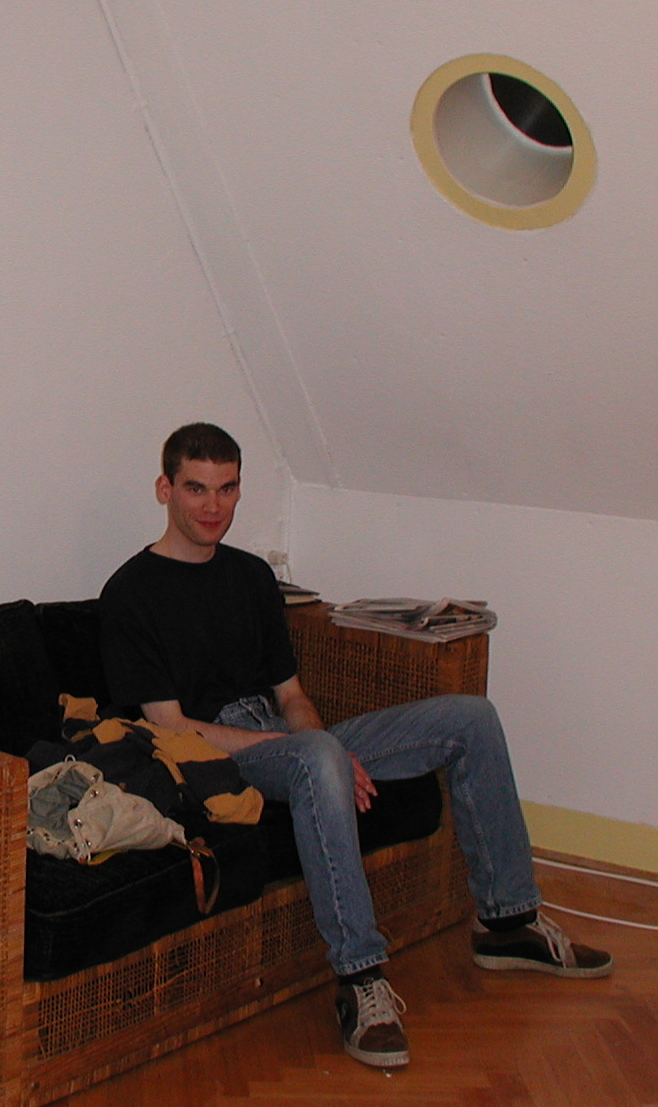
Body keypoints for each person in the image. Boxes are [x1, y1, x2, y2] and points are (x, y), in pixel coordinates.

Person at [98, 422, 611, 1069]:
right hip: (211, 759)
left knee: (470, 718)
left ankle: (509, 923)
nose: (213, 506)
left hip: (286, 739)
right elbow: (172, 728)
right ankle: (361, 978)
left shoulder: (251, 577)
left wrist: (320, 747)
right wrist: (310, 753)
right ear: (164, 489)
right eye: (196, 489)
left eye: (227, 489)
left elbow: (291, 695)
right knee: (316, 756)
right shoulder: (131, 593)